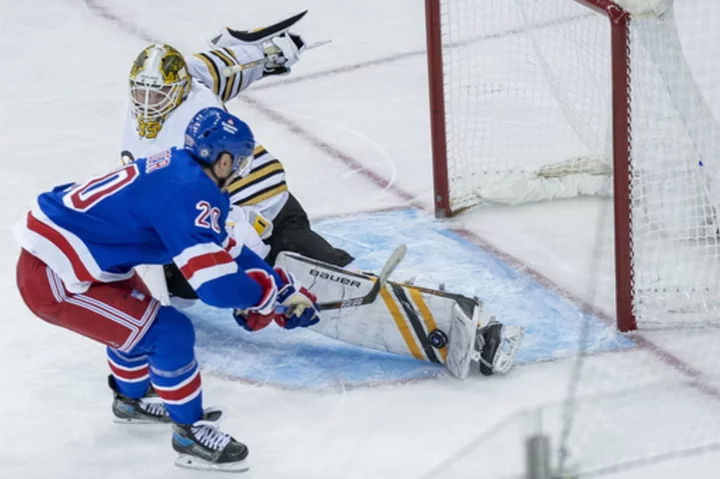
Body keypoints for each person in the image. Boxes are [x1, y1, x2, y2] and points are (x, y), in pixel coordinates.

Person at [15, 107, 321, 472]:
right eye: (238, 162)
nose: (240, 170)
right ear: (222, 161)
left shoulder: (185, 172)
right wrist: (263, 299)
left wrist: (280, 289)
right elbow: (216, 288)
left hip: (86, 256)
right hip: (54, 275)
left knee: (137, 323)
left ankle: (131, 402)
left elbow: (226, 249)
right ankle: (189, 435)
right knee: (168, 333)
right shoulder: (190, 192)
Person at [121, 19, 352, 301]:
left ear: (180, 89)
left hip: (263, 205)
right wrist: (263, 54)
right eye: (142, 91)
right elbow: (219, 64)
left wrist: (239, 230)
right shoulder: (190, 77)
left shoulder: (197, 117)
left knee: (290, 250)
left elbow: (205, 200)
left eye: (158, 94)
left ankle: (349, 281)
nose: (148, 102)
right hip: (243, 207)